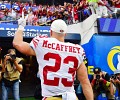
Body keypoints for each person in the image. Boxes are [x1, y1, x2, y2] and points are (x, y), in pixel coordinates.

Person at [12, 15, 93, 100]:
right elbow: (85, 82)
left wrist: (21, 27)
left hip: (51, 97)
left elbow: (17, 43)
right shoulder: (77, 50)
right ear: (65, 34)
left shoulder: (43, 44)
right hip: (71, 97)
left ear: (51, 32)